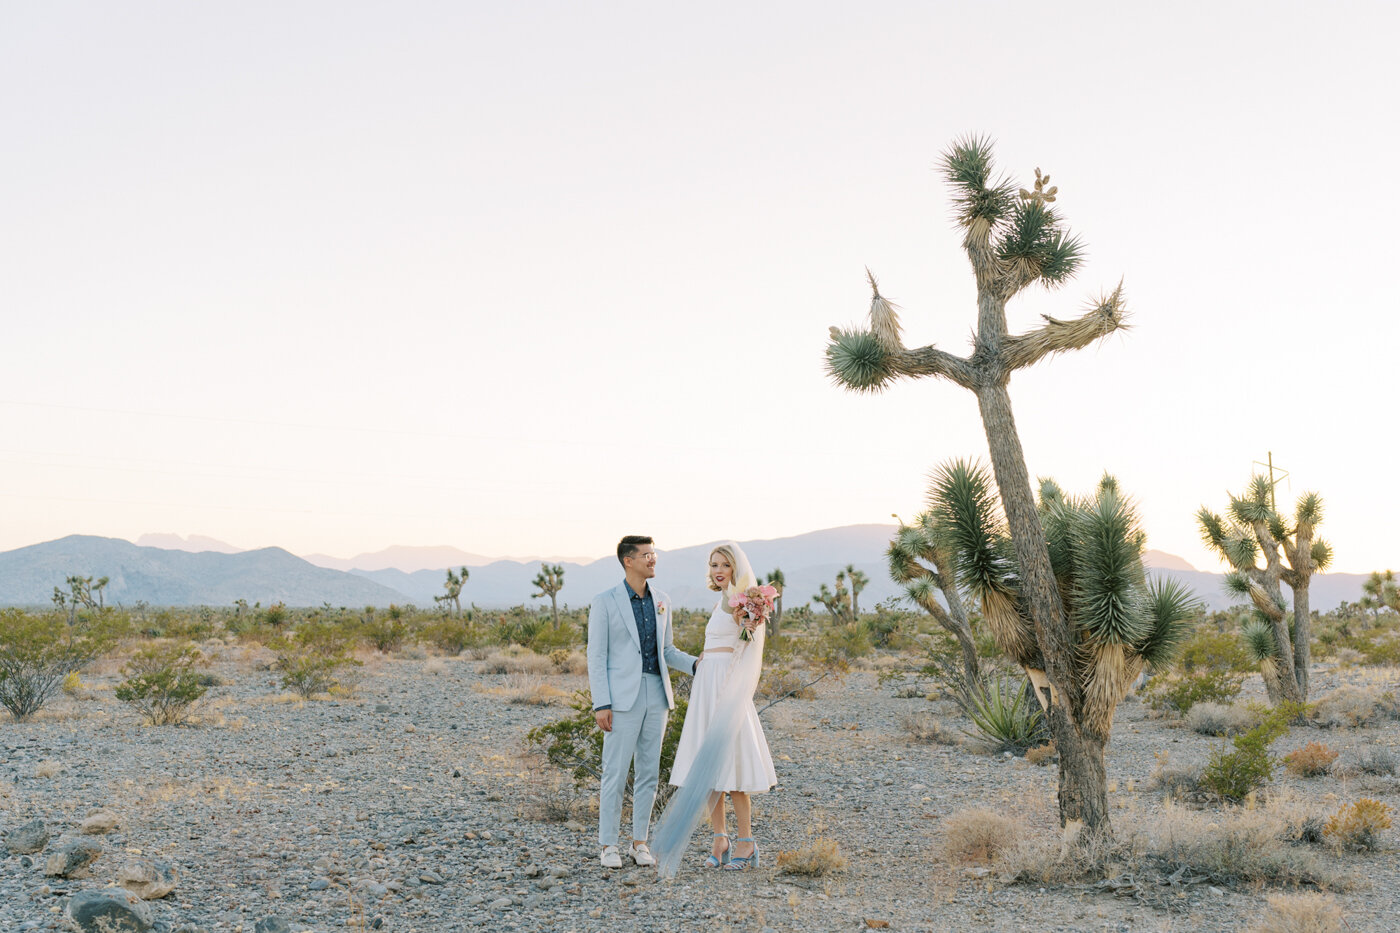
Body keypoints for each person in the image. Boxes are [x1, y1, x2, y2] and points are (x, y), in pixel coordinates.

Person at [587, 535, 699, 869]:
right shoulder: (604, 602)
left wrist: (698, 664)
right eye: (647, 555)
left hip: (657, 694)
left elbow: (667, 651)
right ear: (628, 560)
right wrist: (601, 703)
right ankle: (608, 845)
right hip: (621, 699)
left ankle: (639, 843)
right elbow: (597, 656)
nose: (653, 560)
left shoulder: (662, 600)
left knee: (649, 773)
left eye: (655, 554)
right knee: (615, 773)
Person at [665, 541, 777, 871]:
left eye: (723, 565)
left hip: (726, 687)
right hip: (706, 684)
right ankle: (720, 837)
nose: (717, 570)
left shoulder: (742, 603)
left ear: (735, 568)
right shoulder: (720, 603)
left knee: (734, 767)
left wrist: (749, 625)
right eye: (713, 565)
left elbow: (747, 639)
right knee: (709, 771)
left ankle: (746, 842)